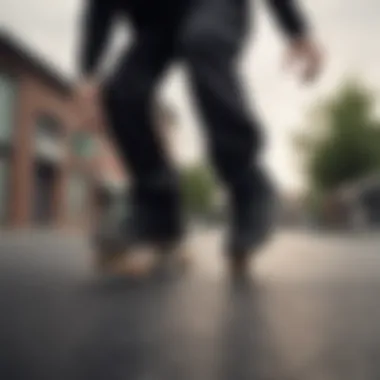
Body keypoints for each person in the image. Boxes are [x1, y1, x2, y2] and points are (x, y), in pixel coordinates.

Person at [74, 0, 323, 275]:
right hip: (157, 24)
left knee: (203, 42)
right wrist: (88, 75)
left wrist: (296, 30)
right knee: (123, 91)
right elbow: (100, 8)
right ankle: (157, 210)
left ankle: (247, 183)